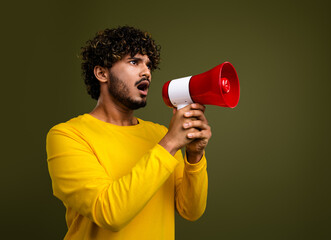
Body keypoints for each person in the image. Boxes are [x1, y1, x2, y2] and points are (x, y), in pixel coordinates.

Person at [46, 26, 211, 240]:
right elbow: (109, 213)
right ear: (102, 73)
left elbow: (190, 211)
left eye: (149, 65)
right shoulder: (67, 135)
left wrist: (194, 156)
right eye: (134, 62)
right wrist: (170, 143)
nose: (147, 72)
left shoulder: (159, 134)